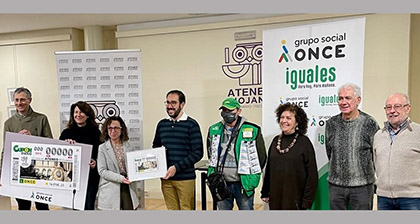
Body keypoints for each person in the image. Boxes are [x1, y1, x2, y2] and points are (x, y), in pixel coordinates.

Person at [325, 83, 379, 210]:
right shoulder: (331, 124)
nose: (343, 102)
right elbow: (330, 152)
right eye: (340, 98)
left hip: (362, 187)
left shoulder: (369, 123)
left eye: (348, 98)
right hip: (336, 186)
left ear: (358, 100)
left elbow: (376, 153)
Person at [207, 97, 267, 210]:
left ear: (238, 111)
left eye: (230, 110)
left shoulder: (253, 129)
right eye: (224, 110)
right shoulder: (214, 129)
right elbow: (211, 152)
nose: (226, 113)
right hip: (221, 183)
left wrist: (253, 177)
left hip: (243, 184)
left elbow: (261, 157)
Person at [0, 87, 52, 210]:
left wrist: (32, 138)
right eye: (16, 100)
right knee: (23, 206)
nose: (19, 103)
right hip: (19, 172)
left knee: (43, 206)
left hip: (39, 170)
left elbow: (50, 143)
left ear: (30, 100)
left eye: (22, 100)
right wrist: (2, 172)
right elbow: (6, 150)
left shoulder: (41, 118)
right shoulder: (9, 123)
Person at [152, 90, 204, 210]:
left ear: (182, 104)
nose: (170, 106)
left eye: (174, 102)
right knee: (172, 210)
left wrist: (176, 168)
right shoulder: (162, 124)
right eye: (167, 102)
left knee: (187, 210)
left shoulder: (191, 124)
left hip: (185, 179)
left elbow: (198, 152)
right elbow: (156, 146)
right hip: (166, 178)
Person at [261, 103, 318, 210]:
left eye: (289, 118)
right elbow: (269, 169)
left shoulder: (304, 142)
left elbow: (312, 175)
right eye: (282, 117)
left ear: (297, 122)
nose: (284, 121)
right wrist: (265, 192)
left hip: (295, 199)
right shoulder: (275, 141)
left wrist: (306, 202)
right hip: (275, 198)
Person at [374, 93, 420, 210]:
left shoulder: (418, 133)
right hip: (384, 198)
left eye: (397, 106)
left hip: (412, 198)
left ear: (407, 108)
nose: (392, 111)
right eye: (388, 107)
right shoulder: (379, 135)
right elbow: (375, 163)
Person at [59, 101, 102, 210]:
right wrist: (66, 145)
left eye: (81, 112)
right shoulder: (66, 133)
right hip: (71, 176)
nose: (78, 115)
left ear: (88, 115)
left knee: (88, 205)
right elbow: (59, 157)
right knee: (73, 206)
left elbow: (101, 153)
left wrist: (95, 162)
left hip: (90, 176)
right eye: (75, 112)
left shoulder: (96, 133)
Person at [97, 116, 139, 210]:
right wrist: (121, 179)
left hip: (128, 186)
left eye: (116, 128)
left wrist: (133, 175)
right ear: (106, 130)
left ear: (121, 129)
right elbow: (102, 171)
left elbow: (134, 166)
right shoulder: (102, 148)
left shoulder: (129, 146)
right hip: (111, 187)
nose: (113, 131)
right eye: (110, 128)